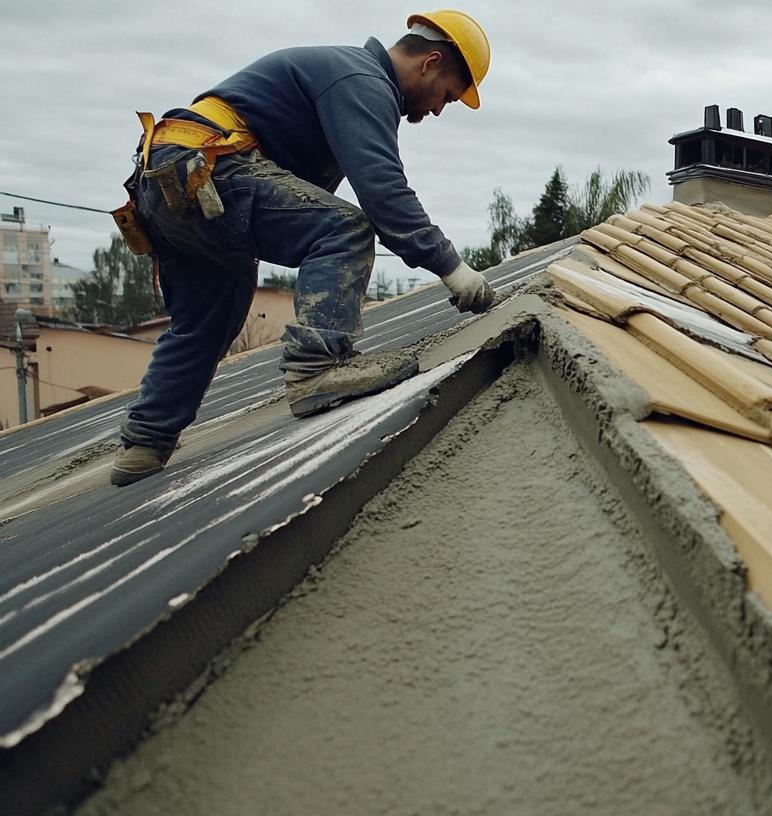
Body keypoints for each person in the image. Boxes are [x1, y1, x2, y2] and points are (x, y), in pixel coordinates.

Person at [109, 10, 496, 486]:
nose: (438, 109)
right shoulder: (362, 79)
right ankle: (318, 367)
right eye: (447, 96)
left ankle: (144, 443)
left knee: (210, 313)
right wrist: (453, 270)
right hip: (208, 166)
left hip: (170, 181)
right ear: (430, 62)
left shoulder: (344, 80)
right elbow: (382, 192)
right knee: (345, 230)